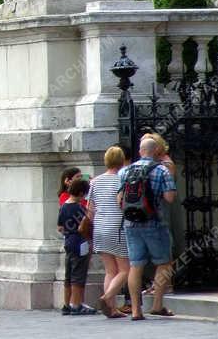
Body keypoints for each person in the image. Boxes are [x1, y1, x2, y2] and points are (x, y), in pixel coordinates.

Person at [117, 136, 178, 320]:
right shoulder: (162, 170)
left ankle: (136, 310)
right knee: (164, 263)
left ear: (140, 151)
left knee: (136, 266)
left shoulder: (125, 171)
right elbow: (169, 198)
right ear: (156, 151)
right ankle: (157, 305)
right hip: (154, 222)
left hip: (130, 224)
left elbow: (119, 199)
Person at [88, 146, 129, 318]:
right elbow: (124, 204)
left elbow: (90, 209)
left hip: (100, 228)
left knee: (110, 271)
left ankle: (111, 309)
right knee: (125, 270)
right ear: (121, 161)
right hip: (117, 227)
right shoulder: (122, 180)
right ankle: (106, 298)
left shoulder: (95, 181)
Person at [57, 178, 96, 315]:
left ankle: (67, 304)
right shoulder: (80, 208)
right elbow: (83, 227)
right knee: (79, 276)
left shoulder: (64, 206)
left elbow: (60, 227)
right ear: (81, 193)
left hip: (68, 242)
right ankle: (77, 304)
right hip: (80, 242)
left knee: (68, 276)